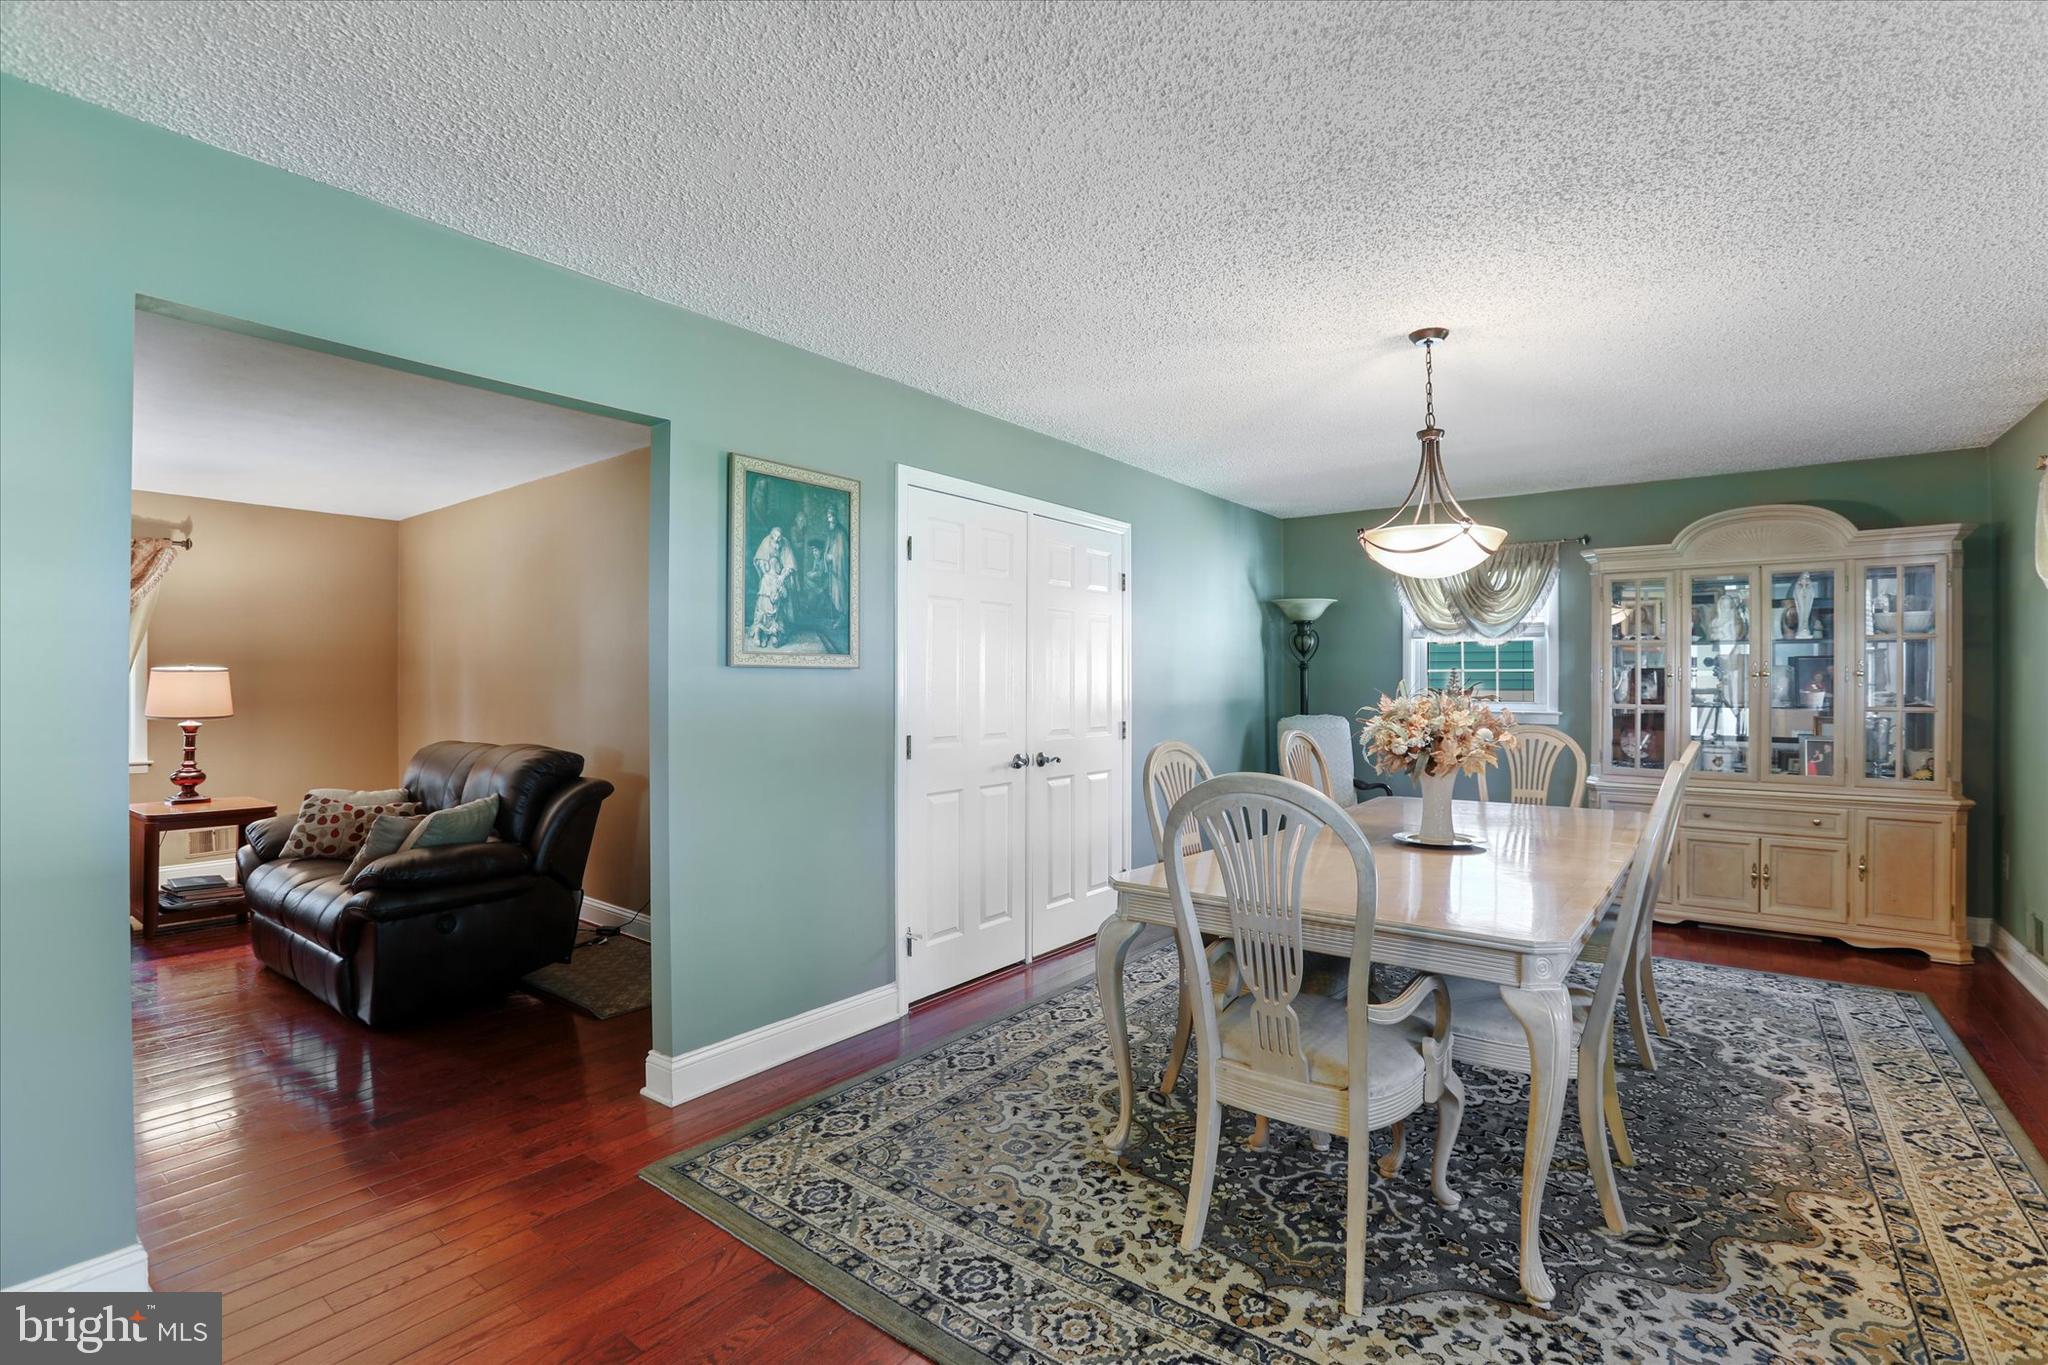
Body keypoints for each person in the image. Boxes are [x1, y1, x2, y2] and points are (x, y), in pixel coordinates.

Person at [751, 526, 796, 647]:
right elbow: (759, 559)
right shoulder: (766, 542)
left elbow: (790, 565)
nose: (777, 542)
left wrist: (782, 576)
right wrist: (763, 565)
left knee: (779, 597)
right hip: (767, 576)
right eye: (775, 539)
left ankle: (774, 632)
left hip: (780, 577)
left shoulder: (785, 544)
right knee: (763, 603)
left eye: (779, 539)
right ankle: (760, 632)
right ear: (771, 537)